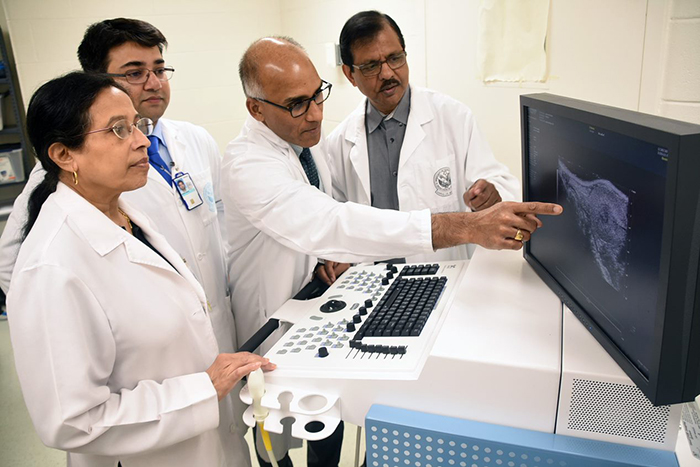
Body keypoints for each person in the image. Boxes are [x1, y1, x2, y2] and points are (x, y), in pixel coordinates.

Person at [222, 36, 561, 466]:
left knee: (331, 423)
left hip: (325, 309)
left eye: (317, 96)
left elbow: (329, 217)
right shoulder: (248, 165)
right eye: (296, 104)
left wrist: (331, 257)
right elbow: (329, 220)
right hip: (273, 330)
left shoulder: (304, 144)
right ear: (256, 108)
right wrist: (463, 225)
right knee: (280, 444)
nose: (315, 113)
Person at [7, 71, 274, 467]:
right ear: (64, 154)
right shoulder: (52, 267)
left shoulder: (128, 217)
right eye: (118, 130)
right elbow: (70, 422)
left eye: (137, 124)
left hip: (207, 443)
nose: (142, 140)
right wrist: (203, 389)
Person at [0, 18, 236, 357]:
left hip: (217, 322)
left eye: (159, 69)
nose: (154, 83)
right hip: (148, 349)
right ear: (97, 82)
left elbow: (221, 219)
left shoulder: (195, 139)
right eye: (135, 72)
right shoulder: (68, 168)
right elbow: (14, 264)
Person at [328, 10, 521, 262]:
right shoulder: (338, 143)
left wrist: (490, 197)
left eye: (395, 58)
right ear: (349, 74)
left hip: (443, 272)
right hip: (373, 280)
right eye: (371, 66)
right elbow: (334, 219)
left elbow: (497, 182)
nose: (387, 73)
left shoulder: (453, 117)